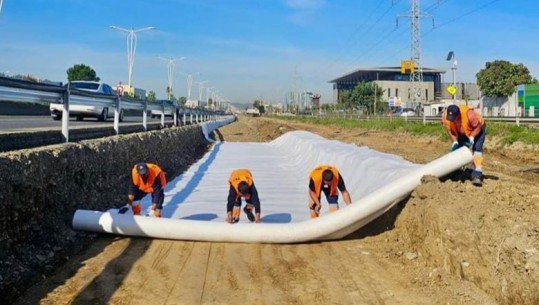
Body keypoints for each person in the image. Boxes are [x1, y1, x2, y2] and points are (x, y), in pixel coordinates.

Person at [442, 104, 486, 186]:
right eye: (451, 119)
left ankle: (477, 174)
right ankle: (457, 171)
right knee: (459, 150)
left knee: (477, 150)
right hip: (462, 130)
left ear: (459, 115)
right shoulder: (445, 117)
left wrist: (472, 137)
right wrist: (455, 141)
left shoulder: (469, 115)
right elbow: (450, 130)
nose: (453, 121)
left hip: (478, 128)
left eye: (455, 119)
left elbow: (478, 127)